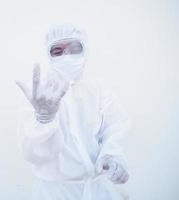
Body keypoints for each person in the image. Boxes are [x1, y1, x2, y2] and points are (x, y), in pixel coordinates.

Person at [15, 24, 130, 200]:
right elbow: (33, 155)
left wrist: (111, 157)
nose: (66, 56)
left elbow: (115, 127)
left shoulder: (98, 89)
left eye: (75, 48)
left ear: (85, 49)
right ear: (48, 54)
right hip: (54, 193)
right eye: (58, 50)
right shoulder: (37, 95)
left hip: (98, 190)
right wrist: (44, 120)